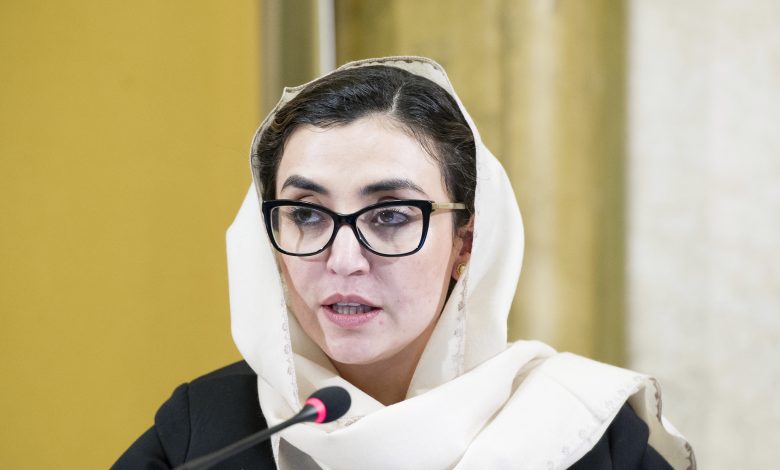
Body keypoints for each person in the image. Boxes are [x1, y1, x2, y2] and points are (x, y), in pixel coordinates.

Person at [114, 57, 695, 469]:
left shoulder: (580, 432)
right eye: (307, 214)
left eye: (390, 215)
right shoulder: (207, 432)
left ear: (466, 243)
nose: (343, 260)